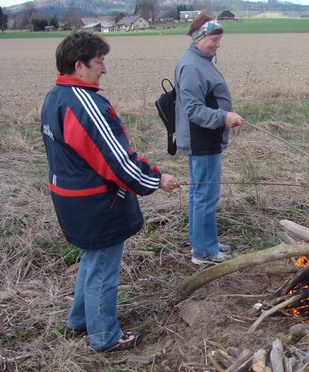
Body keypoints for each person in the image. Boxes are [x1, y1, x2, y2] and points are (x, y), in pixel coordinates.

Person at [40, 31, 181, 352]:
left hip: (70, 200)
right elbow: (117, 161)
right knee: (103, 269)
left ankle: (79, 321)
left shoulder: (55, 96)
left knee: (92, 261)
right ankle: (105, 337)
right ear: (79, 66)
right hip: (96, 204)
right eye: (100, 62)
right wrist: (157, 179)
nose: (104, 69)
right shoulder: (86, 105)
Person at [174, 12, 244, 265]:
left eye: (219, 39)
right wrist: (224, 117)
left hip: (206, 137)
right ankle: (205, 253)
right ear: (199, 38)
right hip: (201, 139)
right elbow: (193, 109)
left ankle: (203, 242)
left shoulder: (200, 60)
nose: (217, 44)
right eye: (213, 39)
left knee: (199, 194)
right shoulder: (192, 65)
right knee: (205, 195)